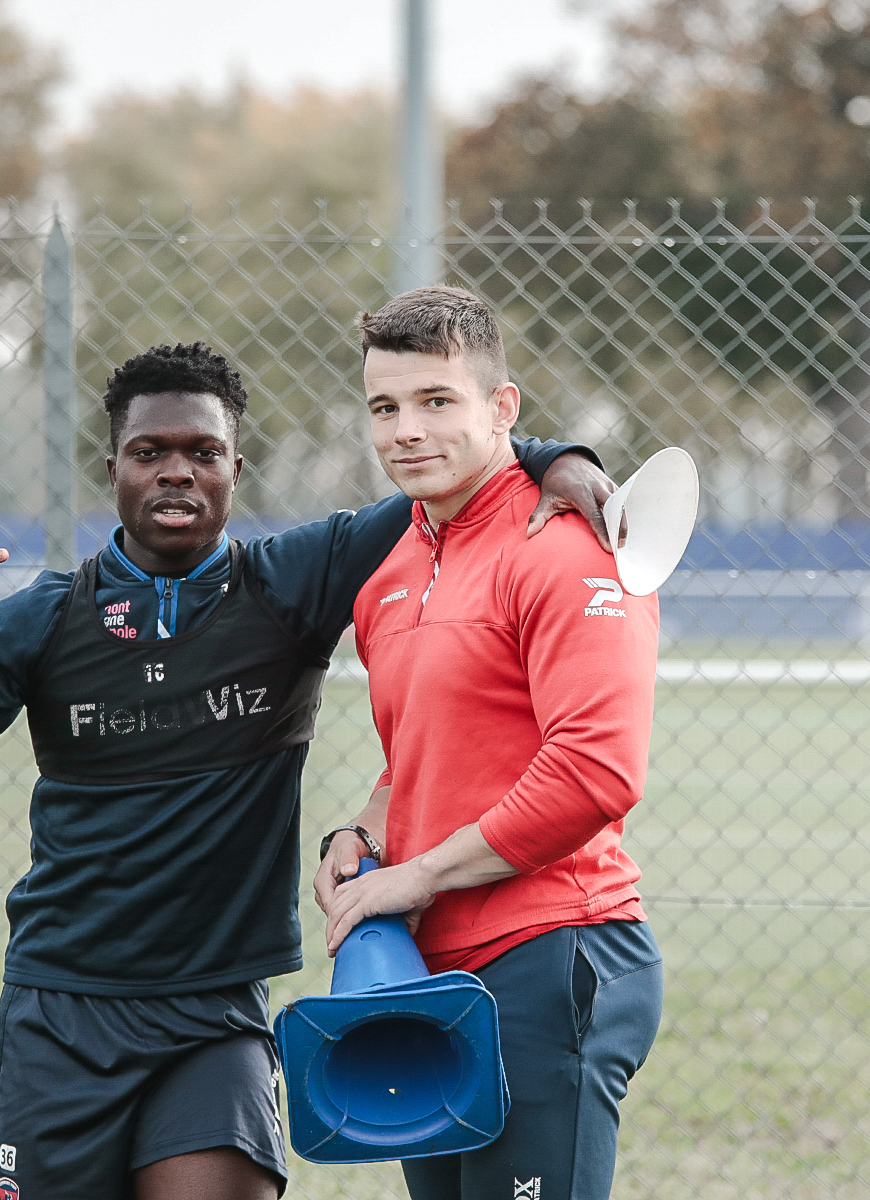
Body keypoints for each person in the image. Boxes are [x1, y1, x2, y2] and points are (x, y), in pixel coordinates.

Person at [0, 341, 615, 1200]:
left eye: (202, 454)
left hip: (214, 1017)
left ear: (234, 470)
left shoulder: (288, 585)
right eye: (150, 453)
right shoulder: (44, 620)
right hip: (62, 1010)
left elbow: (455, 476)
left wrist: (557, 457)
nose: (177, 473)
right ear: (114, 470)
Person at [315, 288, 664, 1200]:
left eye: (438, 401)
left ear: (502, 408)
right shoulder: (389, 570)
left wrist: (419, 875)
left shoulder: (572, 545)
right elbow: (422, 754)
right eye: (384, 408)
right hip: (426, 975)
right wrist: (361, 837)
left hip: (550, 953)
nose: (405, 431)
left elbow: (596, 770)